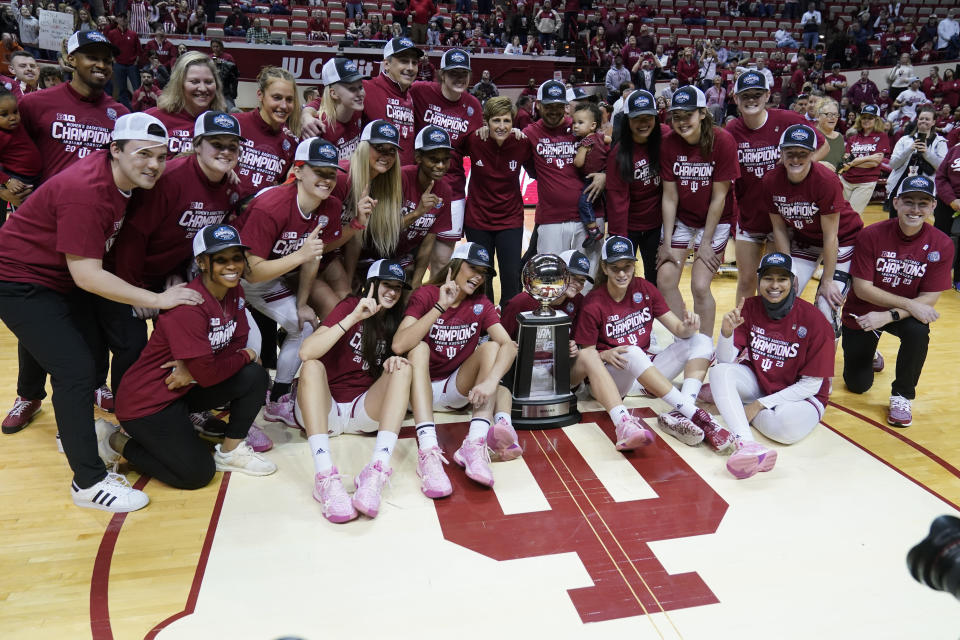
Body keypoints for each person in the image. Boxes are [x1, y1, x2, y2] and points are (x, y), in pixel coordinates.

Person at [0, 112, 204, 512]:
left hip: (54, 278)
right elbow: (88, 276)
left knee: (86, 357)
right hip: (19, 281)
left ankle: (72, 431)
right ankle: (88, 483)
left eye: (161, 157)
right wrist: (157, 299)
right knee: (74, 369)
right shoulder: (87, 190)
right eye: (144, 154)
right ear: (115, 150)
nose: (154, 165)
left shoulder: (125, 181)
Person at [108, 111, 252, 444]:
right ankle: (126, 424)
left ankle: (186, 407)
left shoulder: (230, 187)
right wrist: (137, 292)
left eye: (233, 146)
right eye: (217, 144)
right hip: (129, 276)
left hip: (169, 273)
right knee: (132, 345)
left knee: (187, 344)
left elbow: (202, 240)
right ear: (196, 145)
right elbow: (134, 236)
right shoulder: (170, 178)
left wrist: (176, 274)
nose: (226, 152)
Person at [111, 223, 275, 489]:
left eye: (237, 258)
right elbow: (217, 368)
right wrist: (242, 357)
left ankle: (231, 452)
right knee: (197, 474)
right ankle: (115, 441)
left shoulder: (235, 291)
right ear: (202, 262)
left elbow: (237, 341)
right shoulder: (188, 305)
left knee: (255, 376)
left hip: (185, 388)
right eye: (221, 259)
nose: (232, 266)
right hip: (148, 402)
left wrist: (198, 370)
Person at [573, 236, 732, 451]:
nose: (622, 273)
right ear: (604, 267)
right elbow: (586, 355)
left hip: (643, 372)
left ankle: (681, 412)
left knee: (701, 340)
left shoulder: (644, 288)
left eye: (627, 267)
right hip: (611, 377)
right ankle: (694, 414)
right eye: (615, 268)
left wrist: (688, 326)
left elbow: (677, 329)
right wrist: (604, 355)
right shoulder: (594, 302)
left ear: (633, 266)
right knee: (633, 352)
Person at [391, 243, 517, 497]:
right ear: (455, 266)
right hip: (417, 390)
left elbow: (509, 345)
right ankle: (428, 452)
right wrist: (440, 306)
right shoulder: (426, 294)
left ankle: (474, 443)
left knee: (492, 348)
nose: (479, 276)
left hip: (453, 388)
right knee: (419, 350)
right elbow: (399, 344)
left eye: (484, 272)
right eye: (473, 268)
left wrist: (491, 381)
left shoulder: (481, 303)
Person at [292, 260, 414, 522]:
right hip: (326, 409)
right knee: (311, 367)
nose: (392, 292)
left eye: (398, 287)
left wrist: (393, 361)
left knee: (403, 368)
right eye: (386, 285)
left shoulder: (394, 321)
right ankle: (324, 477)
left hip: (362, 409)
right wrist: (353, 318)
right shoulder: (349, 306)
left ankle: (376, 471)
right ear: (371, 285)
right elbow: (306, 352)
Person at [237, 138, 345, 427]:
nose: (327, 179)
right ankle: (239, 423)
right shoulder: (271, 205)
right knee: (253, 348)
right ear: (297, 171)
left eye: (331, 173)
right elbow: (249, 272)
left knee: (304, 325)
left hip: (268, 278)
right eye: (319, 171)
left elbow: (313, 258)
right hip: (228, 282)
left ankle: (278, 399)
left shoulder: (330, 206)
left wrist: (301, 302)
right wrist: (300, 255)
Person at [841, 176, 954, 427]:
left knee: (918, 331)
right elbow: (862, 289)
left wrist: (889, 315)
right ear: (896, 202)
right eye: (909, 202)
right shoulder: (871, 235)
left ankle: (902, 395)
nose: (915, 210)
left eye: (923, 203)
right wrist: (912, 305)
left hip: (894, 316)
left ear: (933, 206)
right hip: (863, 312)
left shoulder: (942, 244)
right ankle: (872, 351)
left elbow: (929, 298)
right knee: (858, 385)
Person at [711, 252, 834, 479]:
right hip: (763, 382)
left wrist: (757, 405)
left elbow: (810, 386)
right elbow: (725, 362)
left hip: (803, 396)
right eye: (768, 278)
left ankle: (736, 409)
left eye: (782, 279)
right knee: (719, 373)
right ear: (759, 281)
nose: (774, 285)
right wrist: (726, 333)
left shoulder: (816, 321)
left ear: (793, 282)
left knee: (785, 429)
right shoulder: (749, 307)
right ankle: (747, 443)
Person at [725, 71, 825, 303]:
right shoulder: (731, 133)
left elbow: (822, 146)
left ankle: (768, 333)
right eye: (745, 95)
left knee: (770, 284)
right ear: (736, 98)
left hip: (780, 220)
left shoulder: (788, 120)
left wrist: (799, 169)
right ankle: (743, 333)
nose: (751, 99)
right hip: (749, 219)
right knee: (747, 281)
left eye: (757, 94)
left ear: (768, 95)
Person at [764, 124, 863, 334]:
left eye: (803, 153)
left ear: (812, 154)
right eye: (790, 153)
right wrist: (788, 271)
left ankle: (859, 351)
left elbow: (831, 236)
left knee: (826, 305)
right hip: (807, 239)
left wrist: (826, 281)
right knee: (783, 293)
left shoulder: (826, 181)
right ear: (781, 153)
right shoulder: (771, 180)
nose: (796, 159)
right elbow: (779, 230)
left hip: (843, 238)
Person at [658, 85, 740, 337]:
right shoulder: (668, 143)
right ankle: (683, 335)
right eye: (677, 116)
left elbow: (719, 197)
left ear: (703, 113)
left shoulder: (723, 140)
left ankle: (704, 347)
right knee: (665, 280)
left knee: (700, 285)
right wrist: (667, 242)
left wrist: (705, 243)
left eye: (688, 115)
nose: (682, 122)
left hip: (715, 220)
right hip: (683, 218)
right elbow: (670, 197)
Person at [410, 48, 482, 274]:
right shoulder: (420, 91)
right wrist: (311, 109)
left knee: (442, 261)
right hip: (416, 187)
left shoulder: (474, 106)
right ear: (441, 74)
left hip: (453, 189)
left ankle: (436, 305)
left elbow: (479, 144)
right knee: (410, 259)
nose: (459, 79)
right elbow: (388, 93)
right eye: (453, 73)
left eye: (464, 73)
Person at [525, 80, 605, 274]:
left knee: (586, 280)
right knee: (550, 280)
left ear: (566, 106)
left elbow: (611, 154)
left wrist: (605, 175)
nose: (554, 111)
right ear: (538, 105)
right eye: (548, 106)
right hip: (551, 219)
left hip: (589, 219)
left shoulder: (580, 128)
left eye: (558, 106)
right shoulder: (530, 133)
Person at [462, 96, 532, 303]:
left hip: (509, 220)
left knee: (511, 277)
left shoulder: (522, 143)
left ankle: (509, 327)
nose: (502, 126)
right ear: (487, 122)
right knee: (481, 279)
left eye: (507, 121)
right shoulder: (474, 140)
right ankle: (484, 327)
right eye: (496, 121)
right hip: (478, 221)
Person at [605, 90, 664, 285]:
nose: (643, 123)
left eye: (648, 117)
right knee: (624, 280)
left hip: (657, 226)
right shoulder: (619, 154)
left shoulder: (665, 138)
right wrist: (619, 239)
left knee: (655, 280)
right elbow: (617, 201)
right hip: (629, 227)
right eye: (637, 118)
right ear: (627, 120)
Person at [395, 125, 453, 288]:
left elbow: (428, 244)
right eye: (434, 159)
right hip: (378, 249)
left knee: (410, 279)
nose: (441, 165)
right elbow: (383, 231)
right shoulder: (401, 178)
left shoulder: (445, 191)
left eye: (445, 159)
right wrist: (418, 212)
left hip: (406, 253)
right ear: (418, 157)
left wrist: (417, 284)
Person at [233, 66, 301, 200]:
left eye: (289, 99)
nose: (283, 106)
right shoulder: (235, 124)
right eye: (277, 97)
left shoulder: (291, 143)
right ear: (260, 95)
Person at [147, 52, 227, 155]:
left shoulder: (224, 123)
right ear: (179, 84)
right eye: (194, 82)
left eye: (208, 82)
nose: (203, 88)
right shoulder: (154, 119)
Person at [364, 37, 422, 167]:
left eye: (415, 62)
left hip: (405, 180)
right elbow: (328, 99)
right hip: (376, 179)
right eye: (404, 61)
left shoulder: (412, 92)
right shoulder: (367, 88)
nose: (411, 68)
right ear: (387, 64)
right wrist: (308, 112)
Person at [302, 57, 367, 159]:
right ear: (334, 93)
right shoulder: (318, 126)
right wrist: (306, 114)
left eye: (360, 87)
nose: (360, 94)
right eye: (352, 89)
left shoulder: (357, 111)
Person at [887, 105, 947, 209]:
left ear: (933, 122)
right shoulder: (904, 140)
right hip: (900, 186)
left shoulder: (940, 142)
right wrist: (909, 150)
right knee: (895, 220)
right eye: (921, 118)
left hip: (924, 189)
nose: (924, 121)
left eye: (927, 119)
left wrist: (927, 153)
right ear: (917, 120)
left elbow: (942, 168)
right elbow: (892, 164)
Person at [838, 104, 891, 215]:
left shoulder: (882, 136)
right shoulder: (853, 137)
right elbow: (846, 160)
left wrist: (853, 162)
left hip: (865, 183)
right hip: (846, 180)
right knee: (840, 213)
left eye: (870, 118)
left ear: (876, 120)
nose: (866, 120)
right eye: (864, 117)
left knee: (852, 215)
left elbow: (874, 163)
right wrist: (869, 157)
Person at [571, 102, 608, 249]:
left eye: (580, 123)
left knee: (584, 203)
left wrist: (579, 151)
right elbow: (609, 140)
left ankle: (593, 230)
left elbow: (578, 163)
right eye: (574, 122)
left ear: (592, 126)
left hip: (591, 179)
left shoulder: (585, 141)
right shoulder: (599, 136)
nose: (575, 126)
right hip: (602, 176)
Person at [0, 86, 42, 212]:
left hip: (35, 176)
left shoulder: (17, 125)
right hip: (19, 181)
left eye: (15, 112)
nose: (12, 117)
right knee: (25, 213)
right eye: (4, 114)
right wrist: (7, 181)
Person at [815, 97, 845, 170]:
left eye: (835, 114)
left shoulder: (840, 137)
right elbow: (801, 161)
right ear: (818, 116)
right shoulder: (812, 135)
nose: (833, 118)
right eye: (829, 114)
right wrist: (818, 164)